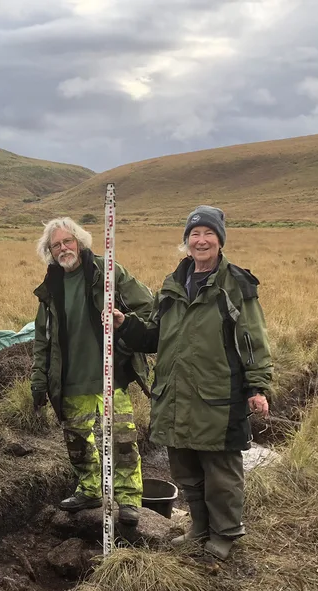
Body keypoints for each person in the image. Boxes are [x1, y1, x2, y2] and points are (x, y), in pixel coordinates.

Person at [113, 205, 272, 565]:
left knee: (221, 472)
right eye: (194, 235)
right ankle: (199, 528)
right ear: (186, 242)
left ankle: (225, 536)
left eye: (208, 234)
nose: (200, 241)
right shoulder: (173, 285)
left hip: (217, 396)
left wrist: (257, 387)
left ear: (219, 240)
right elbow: (155, 336)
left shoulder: (235, 285)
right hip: (175, 395)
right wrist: (126, 324)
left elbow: (253, 340)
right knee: (186, 468)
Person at [30, 217, 156, 526]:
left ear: (80, 241)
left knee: (123, 440)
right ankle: (89, 489)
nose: (63, 248)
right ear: (49, 250)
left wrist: (124, 327)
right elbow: (42, 337)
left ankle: (128, 500)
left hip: (112, 374)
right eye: (56, 245)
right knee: (77, 441)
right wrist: (38, 379)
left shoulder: (108, 271)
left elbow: (149, 306)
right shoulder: (51, 286)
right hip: (70, 377)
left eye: (67, 241)